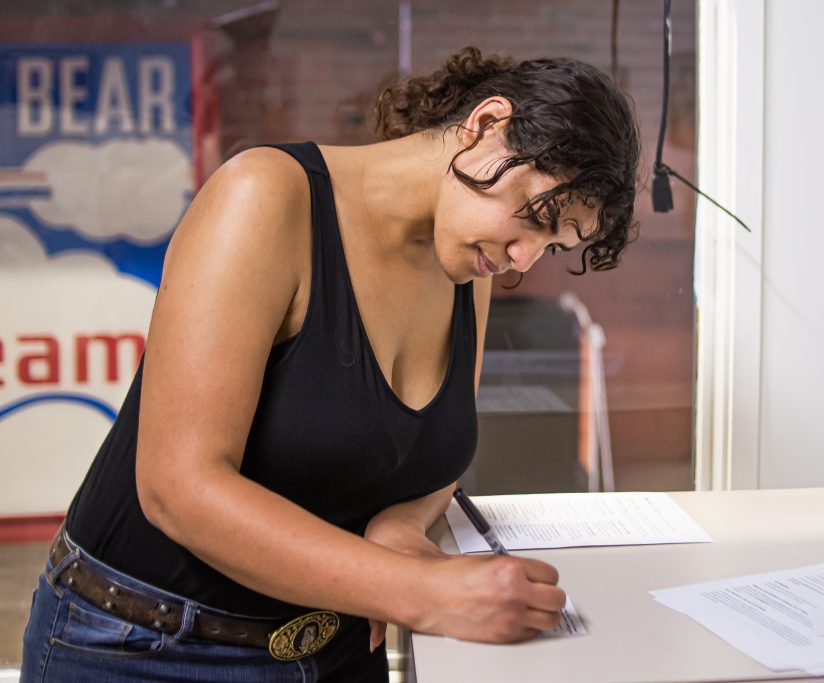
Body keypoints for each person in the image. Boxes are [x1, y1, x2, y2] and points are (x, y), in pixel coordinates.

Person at [20, 46, 640, 682]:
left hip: (339, 643)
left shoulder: (471, 257)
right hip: (144, 646)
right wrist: (420, 592)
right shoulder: (264, 196)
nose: (523, 257)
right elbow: (178, 488)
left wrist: (400, 528)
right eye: (534, 217)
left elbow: (431, 455)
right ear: (486, 125)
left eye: (553, 244)